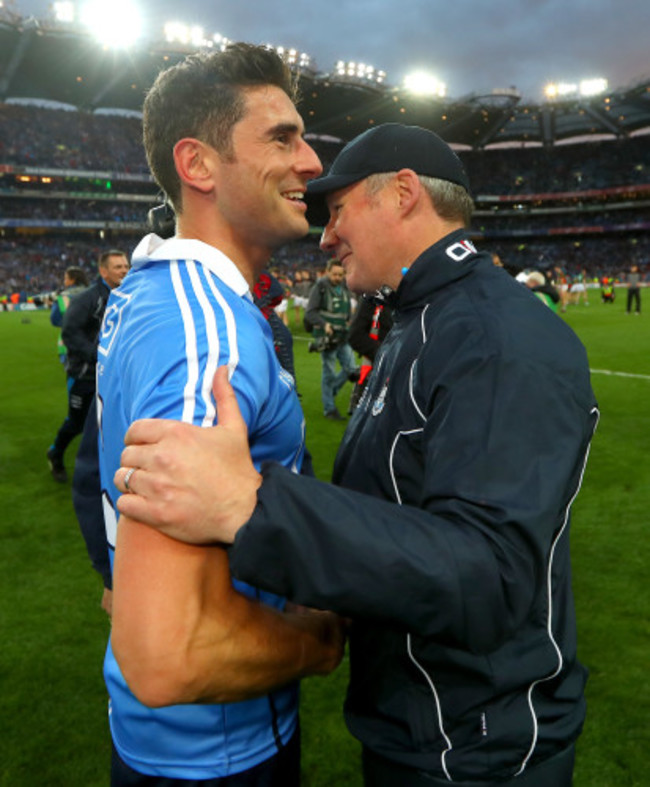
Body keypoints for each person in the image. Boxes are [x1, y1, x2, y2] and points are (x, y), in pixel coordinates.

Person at [115, 123, 599, 787]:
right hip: (420, 722)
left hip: (478, 749)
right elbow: (395, 507)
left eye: (338, 210)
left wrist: (251, 507)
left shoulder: (495, 336)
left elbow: (492, 576)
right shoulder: (416, 317)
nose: (325, 236)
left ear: (403, 193)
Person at [97, 44, 343, 786]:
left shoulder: (150, 292)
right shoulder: (204, 333)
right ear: (198, 165)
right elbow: (169, 656)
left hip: (162, 742)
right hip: (216, 748)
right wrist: (316, 645)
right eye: (281, 138)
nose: (311, 163)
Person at [46, 250, 128, 482]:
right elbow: (70, 332)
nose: (124, 270)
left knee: (111, 421)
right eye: (118, 267)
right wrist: (97, 356)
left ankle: (104, 468)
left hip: (115, 375)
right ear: (103, 271)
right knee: (78, 422)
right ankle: (55, 453)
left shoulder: (129, 297)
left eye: (126, 266)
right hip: (85, 374)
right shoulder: (88, 298)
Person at [304, 258, 357, 420]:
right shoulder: (319, 287)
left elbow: (346, 311)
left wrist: (349, 320)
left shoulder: (345, 287)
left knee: (351, 369)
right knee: (329, 372)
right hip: (326, 337)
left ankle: (330, 391)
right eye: (334, 274)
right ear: (327, 272)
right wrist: (324, 324)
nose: (338, 278)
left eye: (341, 275)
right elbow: (310, 312)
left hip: (343, 335)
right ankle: (329, 409)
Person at [50, 265, 89, 366]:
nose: (64, 281)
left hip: (69, 341)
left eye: (66, 278)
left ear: (72, 280)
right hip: (92, 341)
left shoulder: (64, 296)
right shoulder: (94, 293)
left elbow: (55, 320)